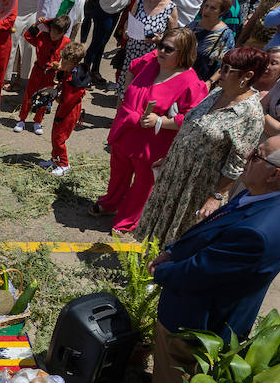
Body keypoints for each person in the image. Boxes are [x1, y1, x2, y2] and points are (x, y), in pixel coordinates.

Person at [149, 135, 280, 383]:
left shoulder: (259, 232)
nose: (247, 156)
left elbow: (200, 273)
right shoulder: (267, 196)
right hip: (206, 302)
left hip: (198, 318)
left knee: (176, 370)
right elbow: (212, 229)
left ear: (275, 174)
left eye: (257, 155)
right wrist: (173, 252)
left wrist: (161, 271)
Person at [135, 46, 269, 245]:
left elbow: (237, 163)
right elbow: (193, 126)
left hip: (197, 185)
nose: (219, 72)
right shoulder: (218, 93)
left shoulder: (250, 115)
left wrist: (216, 196)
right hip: (175, 171)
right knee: (157, 227)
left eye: (226, 69)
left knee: (178, 236)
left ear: (247, 75)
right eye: (221, 66)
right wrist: (172, 156)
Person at [94, 27, 207, 230]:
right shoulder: (152, 61)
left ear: (182, 54)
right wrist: (126, 96)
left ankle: (127, 220)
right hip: (127, 130)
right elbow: (132, 66)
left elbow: (192, 118)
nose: (161, 51)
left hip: (152, 143)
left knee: (143, 183)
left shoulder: (192, 83)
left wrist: (160, 121)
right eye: (160, 45)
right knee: (119, 171)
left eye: (168, 49)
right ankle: (111, 203)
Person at [38, 40, 91, 178]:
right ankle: (55, 159)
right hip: (64, 107)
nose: (63, 64)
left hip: (70, 110)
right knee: (54, 133)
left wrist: (58, 98)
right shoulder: (68, 71)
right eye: (63, 61)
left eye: (66, 63)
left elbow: (69, 100)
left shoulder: (76, 79)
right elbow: (62, 84)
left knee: (59, 137)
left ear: (75, 63)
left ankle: (64, 164)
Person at [119, 0, 178, 87]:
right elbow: (128, 22)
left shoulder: (171, 8)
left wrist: (159, 40)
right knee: (124, 93)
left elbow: (174, 38)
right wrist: (126, 31)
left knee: (140, 93)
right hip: (132, 54)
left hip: (151, 58)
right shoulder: (140, 2)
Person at [17, 16, 71, 134]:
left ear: (64, 33)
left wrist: (61, 69)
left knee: (45, 97)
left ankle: (38, 121)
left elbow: (68, 59)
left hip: (51, 75)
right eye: (52, 31)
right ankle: (22, 119)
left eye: (57, 34)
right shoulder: (42, 36)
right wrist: (36, 24)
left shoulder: (66, 42)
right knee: (29, 95)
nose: (53, 35)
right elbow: (28, 36)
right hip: (37, 70)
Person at [188, 0, 236, 82]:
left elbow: (225, 65)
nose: (206, 10)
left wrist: (210, 82)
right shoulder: (192, 26)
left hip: (201, 82)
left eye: (213, 8)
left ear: (222, 12)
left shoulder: (225, 35)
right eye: (206, 6)